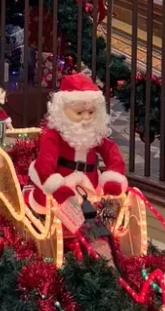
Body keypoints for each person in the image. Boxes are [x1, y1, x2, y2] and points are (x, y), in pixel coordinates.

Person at [23, 73, 127, 233]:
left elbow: (111, 152)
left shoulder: (95, 133)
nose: (86, 118)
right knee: (64, 216)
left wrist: (113, 177)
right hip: (63, 187)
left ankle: (98, 238)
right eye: (79, 113)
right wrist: (55, 186)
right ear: (62, 110)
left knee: (101, 217)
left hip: (90, 188)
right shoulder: (54, 135)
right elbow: (45, 161)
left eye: (91, 113)